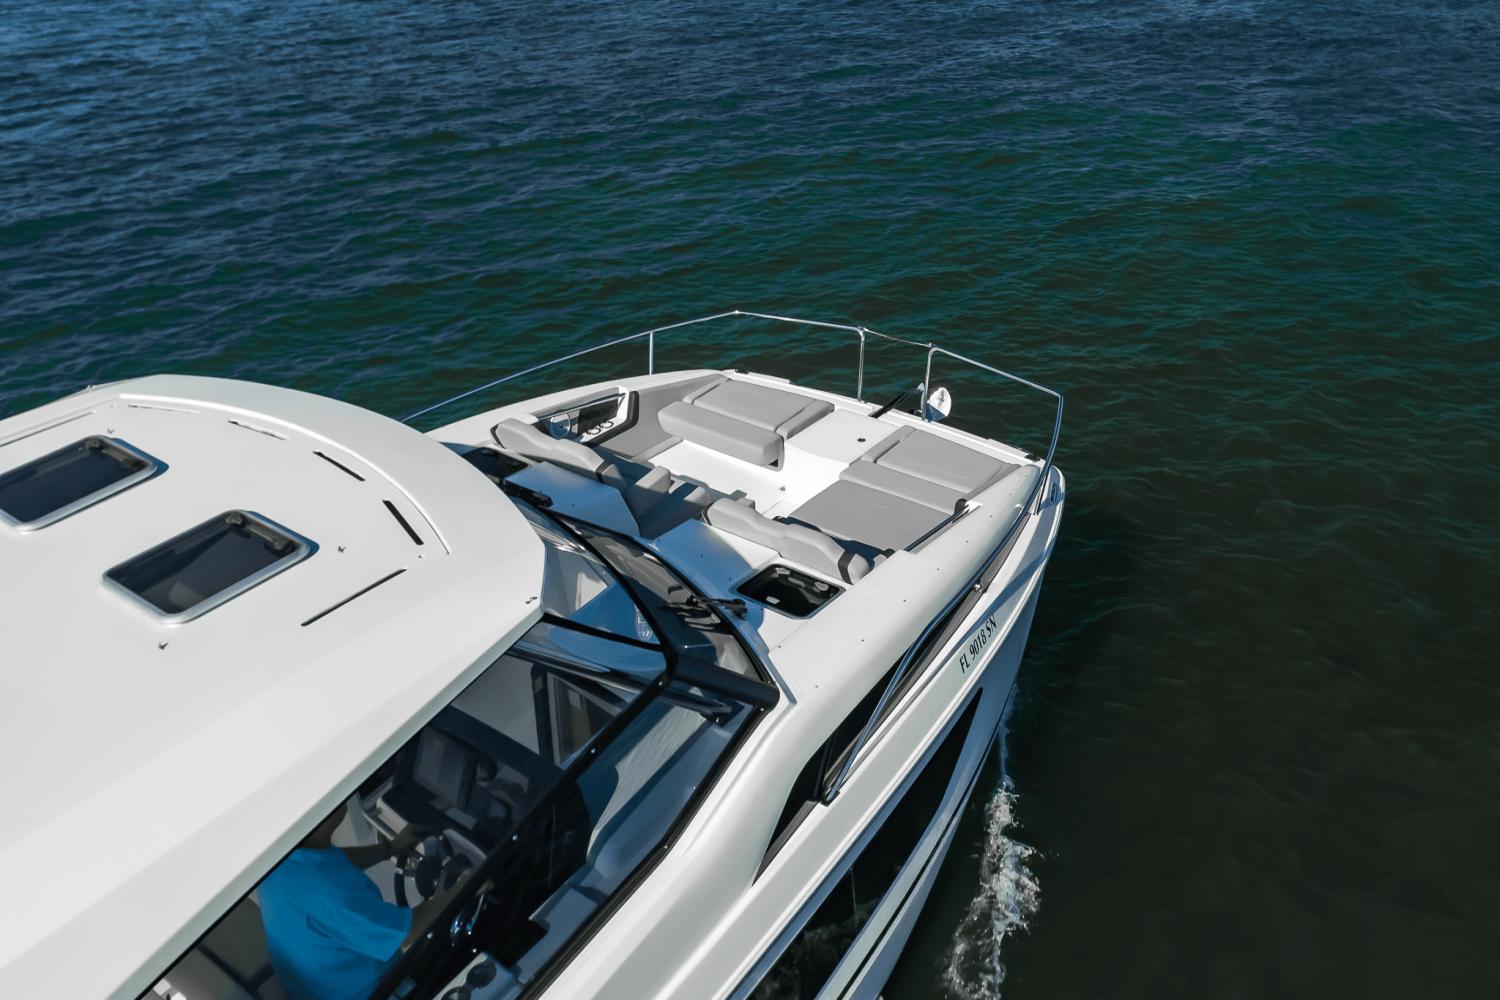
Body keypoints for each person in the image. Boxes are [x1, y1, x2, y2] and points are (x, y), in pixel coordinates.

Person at [257, 804, 463, 1000]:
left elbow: (335, 861)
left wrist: (390, 848)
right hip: (376, 991)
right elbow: (407, 933)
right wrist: (460, 887)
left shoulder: (278, 862)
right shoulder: (327, 892)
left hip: (315, 987)